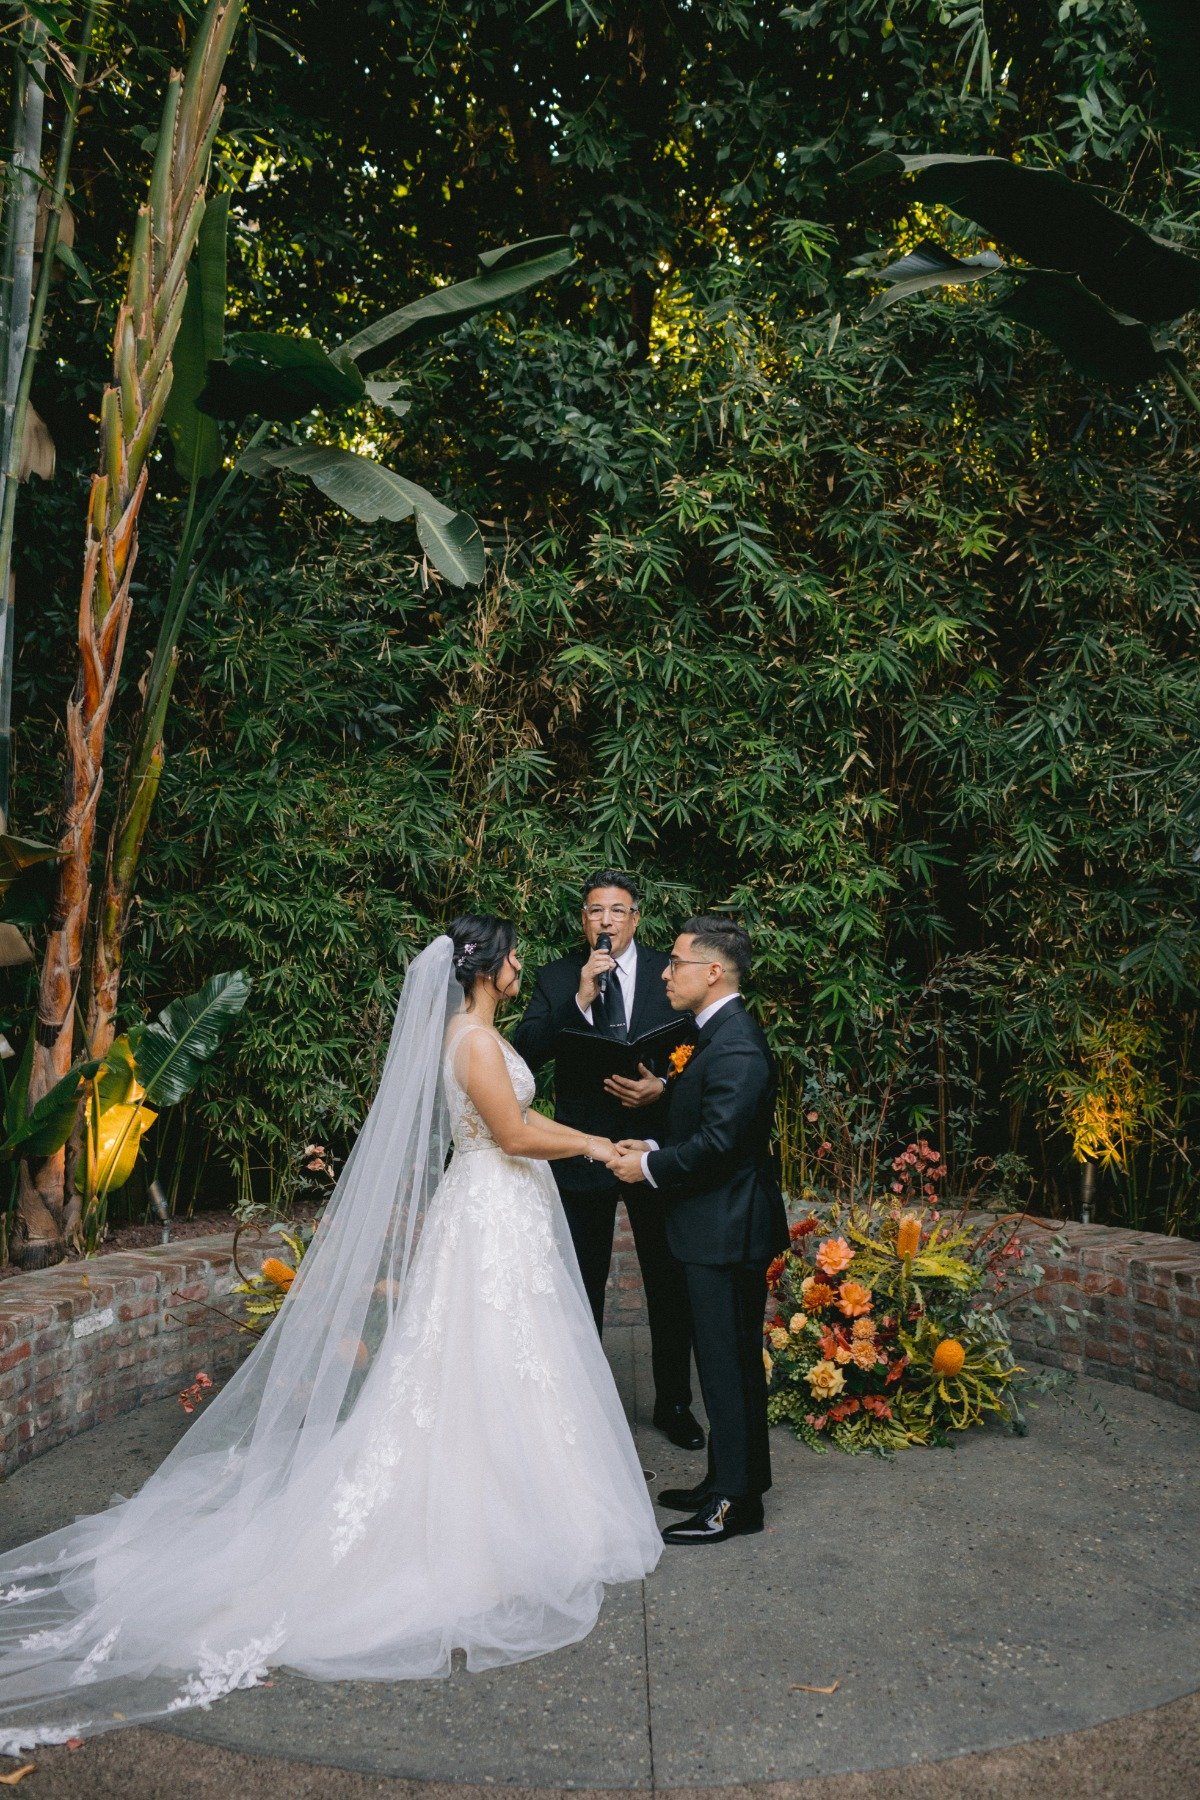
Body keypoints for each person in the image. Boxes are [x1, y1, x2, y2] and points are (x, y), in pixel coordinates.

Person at [0, 918, 662, 1754]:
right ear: (487, 969)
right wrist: (600, 1145)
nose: (525, 964)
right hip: (493, 1211)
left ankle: (524, 1491)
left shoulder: (471, 1034)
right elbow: (515, 1133)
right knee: (483, 1356)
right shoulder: (474, 1045)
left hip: (500, 1212)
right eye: (514, 956)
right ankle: (485, 1516)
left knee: (500, 1358)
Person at [612, 917, 787, 1547]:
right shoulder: (710, 1035)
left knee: (727, 1366)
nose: (665, 970)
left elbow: (722, 1145)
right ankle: (726, 1481)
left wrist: (649, 1165)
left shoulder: (736, 1044)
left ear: (712, 972)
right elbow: (708, 1126)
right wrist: (655, 1142)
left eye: (677, 962)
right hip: (713, 1225)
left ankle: (735, 1504)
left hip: (726, 1231)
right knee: (724, 1363)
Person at [513, 871, 703, 1453]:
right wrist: (580, 999)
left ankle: (674, 1403)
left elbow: (697, 1039)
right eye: (596, 910)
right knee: (581, 1280)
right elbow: (523, 1056)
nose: (606, 921)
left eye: (618, 911)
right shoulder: (555, 978)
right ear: (583, 919)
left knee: (668, 1280)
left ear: (636, 917)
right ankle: (586, 1409)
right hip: (581, 1146)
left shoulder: (671, 972)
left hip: (653, 1145)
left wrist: (663, 1086)